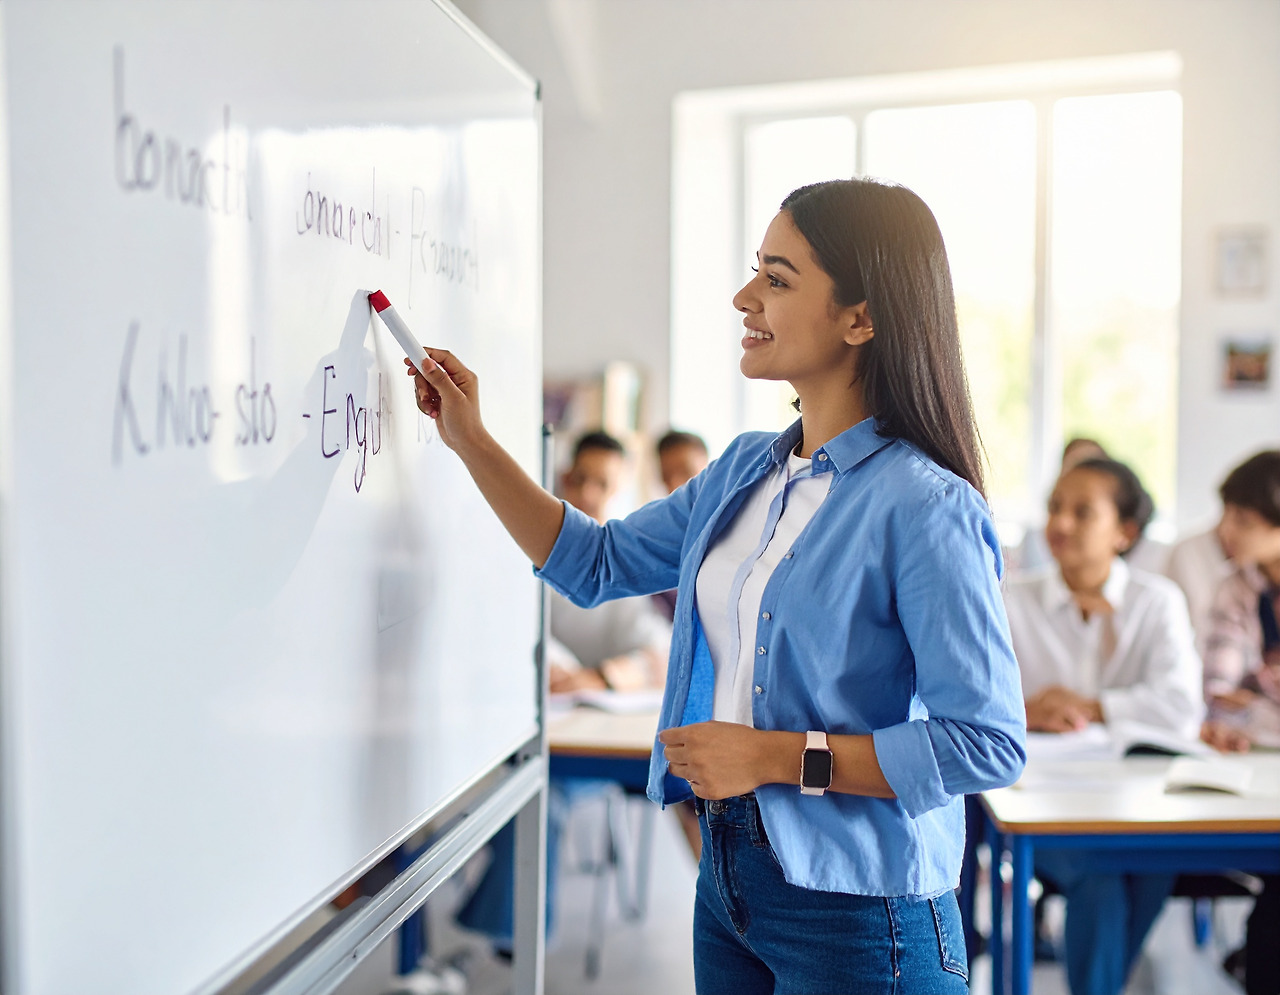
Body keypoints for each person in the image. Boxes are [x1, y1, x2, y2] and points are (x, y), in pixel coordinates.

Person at [406, 176, 1026, 993]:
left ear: (861, 318)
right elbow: (593, 563)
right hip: (730, 881)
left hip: (863, 914)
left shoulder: (926, 505)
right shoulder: (741, 471)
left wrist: (773, 756)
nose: (744, 297)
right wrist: (470, 439)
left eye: (777, 279)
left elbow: (985, 741)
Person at [454, 429, 670, 954]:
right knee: (511, 790)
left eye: (603, 484)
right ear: (563, 476)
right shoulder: (525, 547)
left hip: (584, 747)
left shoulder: (622, 563)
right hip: (517, 731)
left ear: (618, 490)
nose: (588, 493)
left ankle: (508, 939)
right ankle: (497, 929)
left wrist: (595, 678)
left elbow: (657, 655)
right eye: (579, 478)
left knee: (537, 795)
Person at [1002, 457, 1204, 995]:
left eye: (1082, 512)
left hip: (1143, 800)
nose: (1060, 524)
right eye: (1054, 508)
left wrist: (1089, 707)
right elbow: (977, 703)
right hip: (1047, 802)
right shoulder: (1010, 600)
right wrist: (1028, 711)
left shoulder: (1157, 602)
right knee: (1101, 871)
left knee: (1153, 862)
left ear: (1125, 532)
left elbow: (1181, 707)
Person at [1197, 451, 1280, 995]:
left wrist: (1255, 689)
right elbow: (1219, 694)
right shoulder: (1237, 588)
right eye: (1226, 513)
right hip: (1255, 769)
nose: (1226, 530)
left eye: (1244, 519)